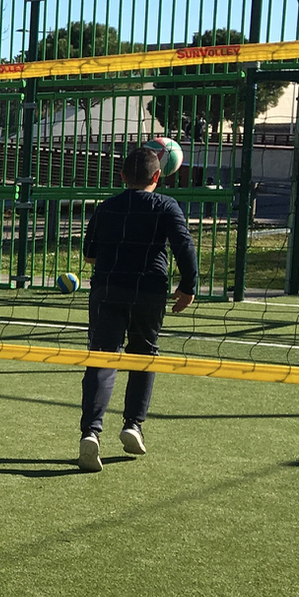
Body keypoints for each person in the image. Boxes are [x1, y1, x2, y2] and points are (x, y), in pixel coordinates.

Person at [76, 144, 198, 473]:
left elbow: (89, 254)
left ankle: (91, 433)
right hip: (148, 291)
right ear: (158, 175)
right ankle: (133, 425)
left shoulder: (107, 207)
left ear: (122, 176)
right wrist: (188, 286)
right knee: (144, 355)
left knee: (102, 357)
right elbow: (184, 245)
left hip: (107, 289)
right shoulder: (166, 206)